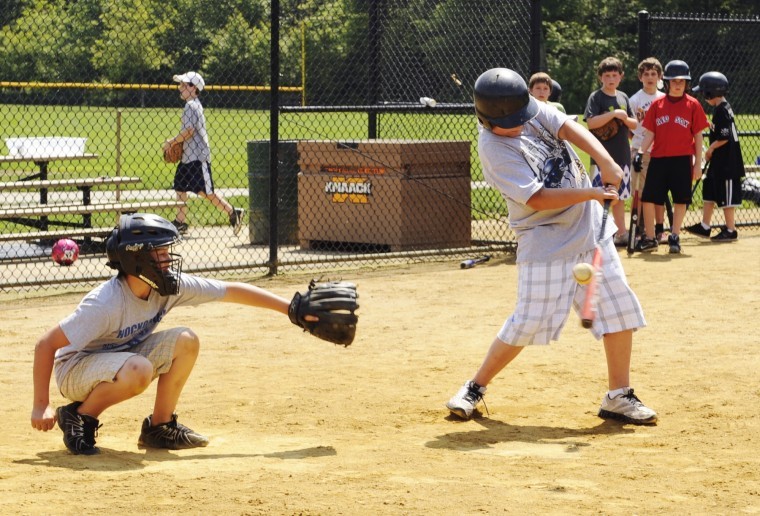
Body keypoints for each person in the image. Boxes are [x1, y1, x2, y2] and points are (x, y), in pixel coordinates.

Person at [445, 68, 657, 426]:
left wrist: (605, 160)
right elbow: (539, 199)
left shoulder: (527, 108)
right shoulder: (494, 149)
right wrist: (593, 191)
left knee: (619, 310)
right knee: (527, 322)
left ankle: (618, 395)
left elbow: (567, 127)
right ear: (488, 120)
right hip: (546, 240)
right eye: (512, 122)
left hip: (590, 231)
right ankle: (475, 386)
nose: (521, 125)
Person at [30, 213, 304, 455]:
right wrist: (41, 405)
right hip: (76, 368)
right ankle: (80, 416)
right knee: (139, 369)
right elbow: (46, 344)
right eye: (159, 254)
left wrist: (291, 309)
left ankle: (159, 428)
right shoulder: (105, 303)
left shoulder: (168, 285)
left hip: (119, 357)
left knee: (186, 341)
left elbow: (229, 290)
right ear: (137, 259)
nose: (167, 260)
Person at [635, 60, 710, 253]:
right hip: (659, 158)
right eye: (674, 81)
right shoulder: (657, 105)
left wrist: (697, 163)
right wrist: (641, 152)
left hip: (682, 159)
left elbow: (698, 136)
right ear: (667, 82)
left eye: (682, 81)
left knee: (680, 199)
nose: (678, 84)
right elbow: (650, 133)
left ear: (686, 83)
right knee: (649, 198)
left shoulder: (693, 105)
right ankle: (651, 237)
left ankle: (674, 235)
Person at [163, 71, 245, 236]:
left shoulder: (191, 105)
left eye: (184, 85)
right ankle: (180, 222)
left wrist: (171, 142)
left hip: (197, 157)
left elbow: (189, 131)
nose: (180, 88)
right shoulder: (193, 105)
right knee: (180, 186)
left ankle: (232, 212)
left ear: (193, 88)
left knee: (206, 192)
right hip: (188, 156)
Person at [584, 57, 638, 247]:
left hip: (622, 155)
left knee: (620, 197)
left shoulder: (623, 97)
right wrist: (613, 114)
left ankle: (621, 233)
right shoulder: (596, 97)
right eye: (607, 75)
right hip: (601, 157)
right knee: (600, 196)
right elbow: (591, 123)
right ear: (601, 78)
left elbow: (635, 124)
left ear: (621, 77)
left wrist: (624, 118)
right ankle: (601, 234)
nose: (611, 79)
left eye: (614, 75)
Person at [685, 71, 744, 241]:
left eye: (704, 93)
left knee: (726, 197)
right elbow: (721, 130)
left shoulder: (721, 111)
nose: (703, 97)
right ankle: (705, 226)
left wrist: (710, 149)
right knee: (709, 190)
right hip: (719, 162)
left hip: (727, 163)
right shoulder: (722, 108)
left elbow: (724, 137)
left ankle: (731, 229)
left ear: (710, 92)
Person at [629, 57, 668, 244]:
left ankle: (660, 229)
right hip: (640, 150)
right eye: (646, 74)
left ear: (660, 76)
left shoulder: (663, 98)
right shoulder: (635, 100)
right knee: (642, 192)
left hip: (661, 150)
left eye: (654, 74)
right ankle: (640, 229)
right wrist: (637, 148)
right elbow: (630, 128)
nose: (650, 77)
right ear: (640, 77)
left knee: (659, 191)